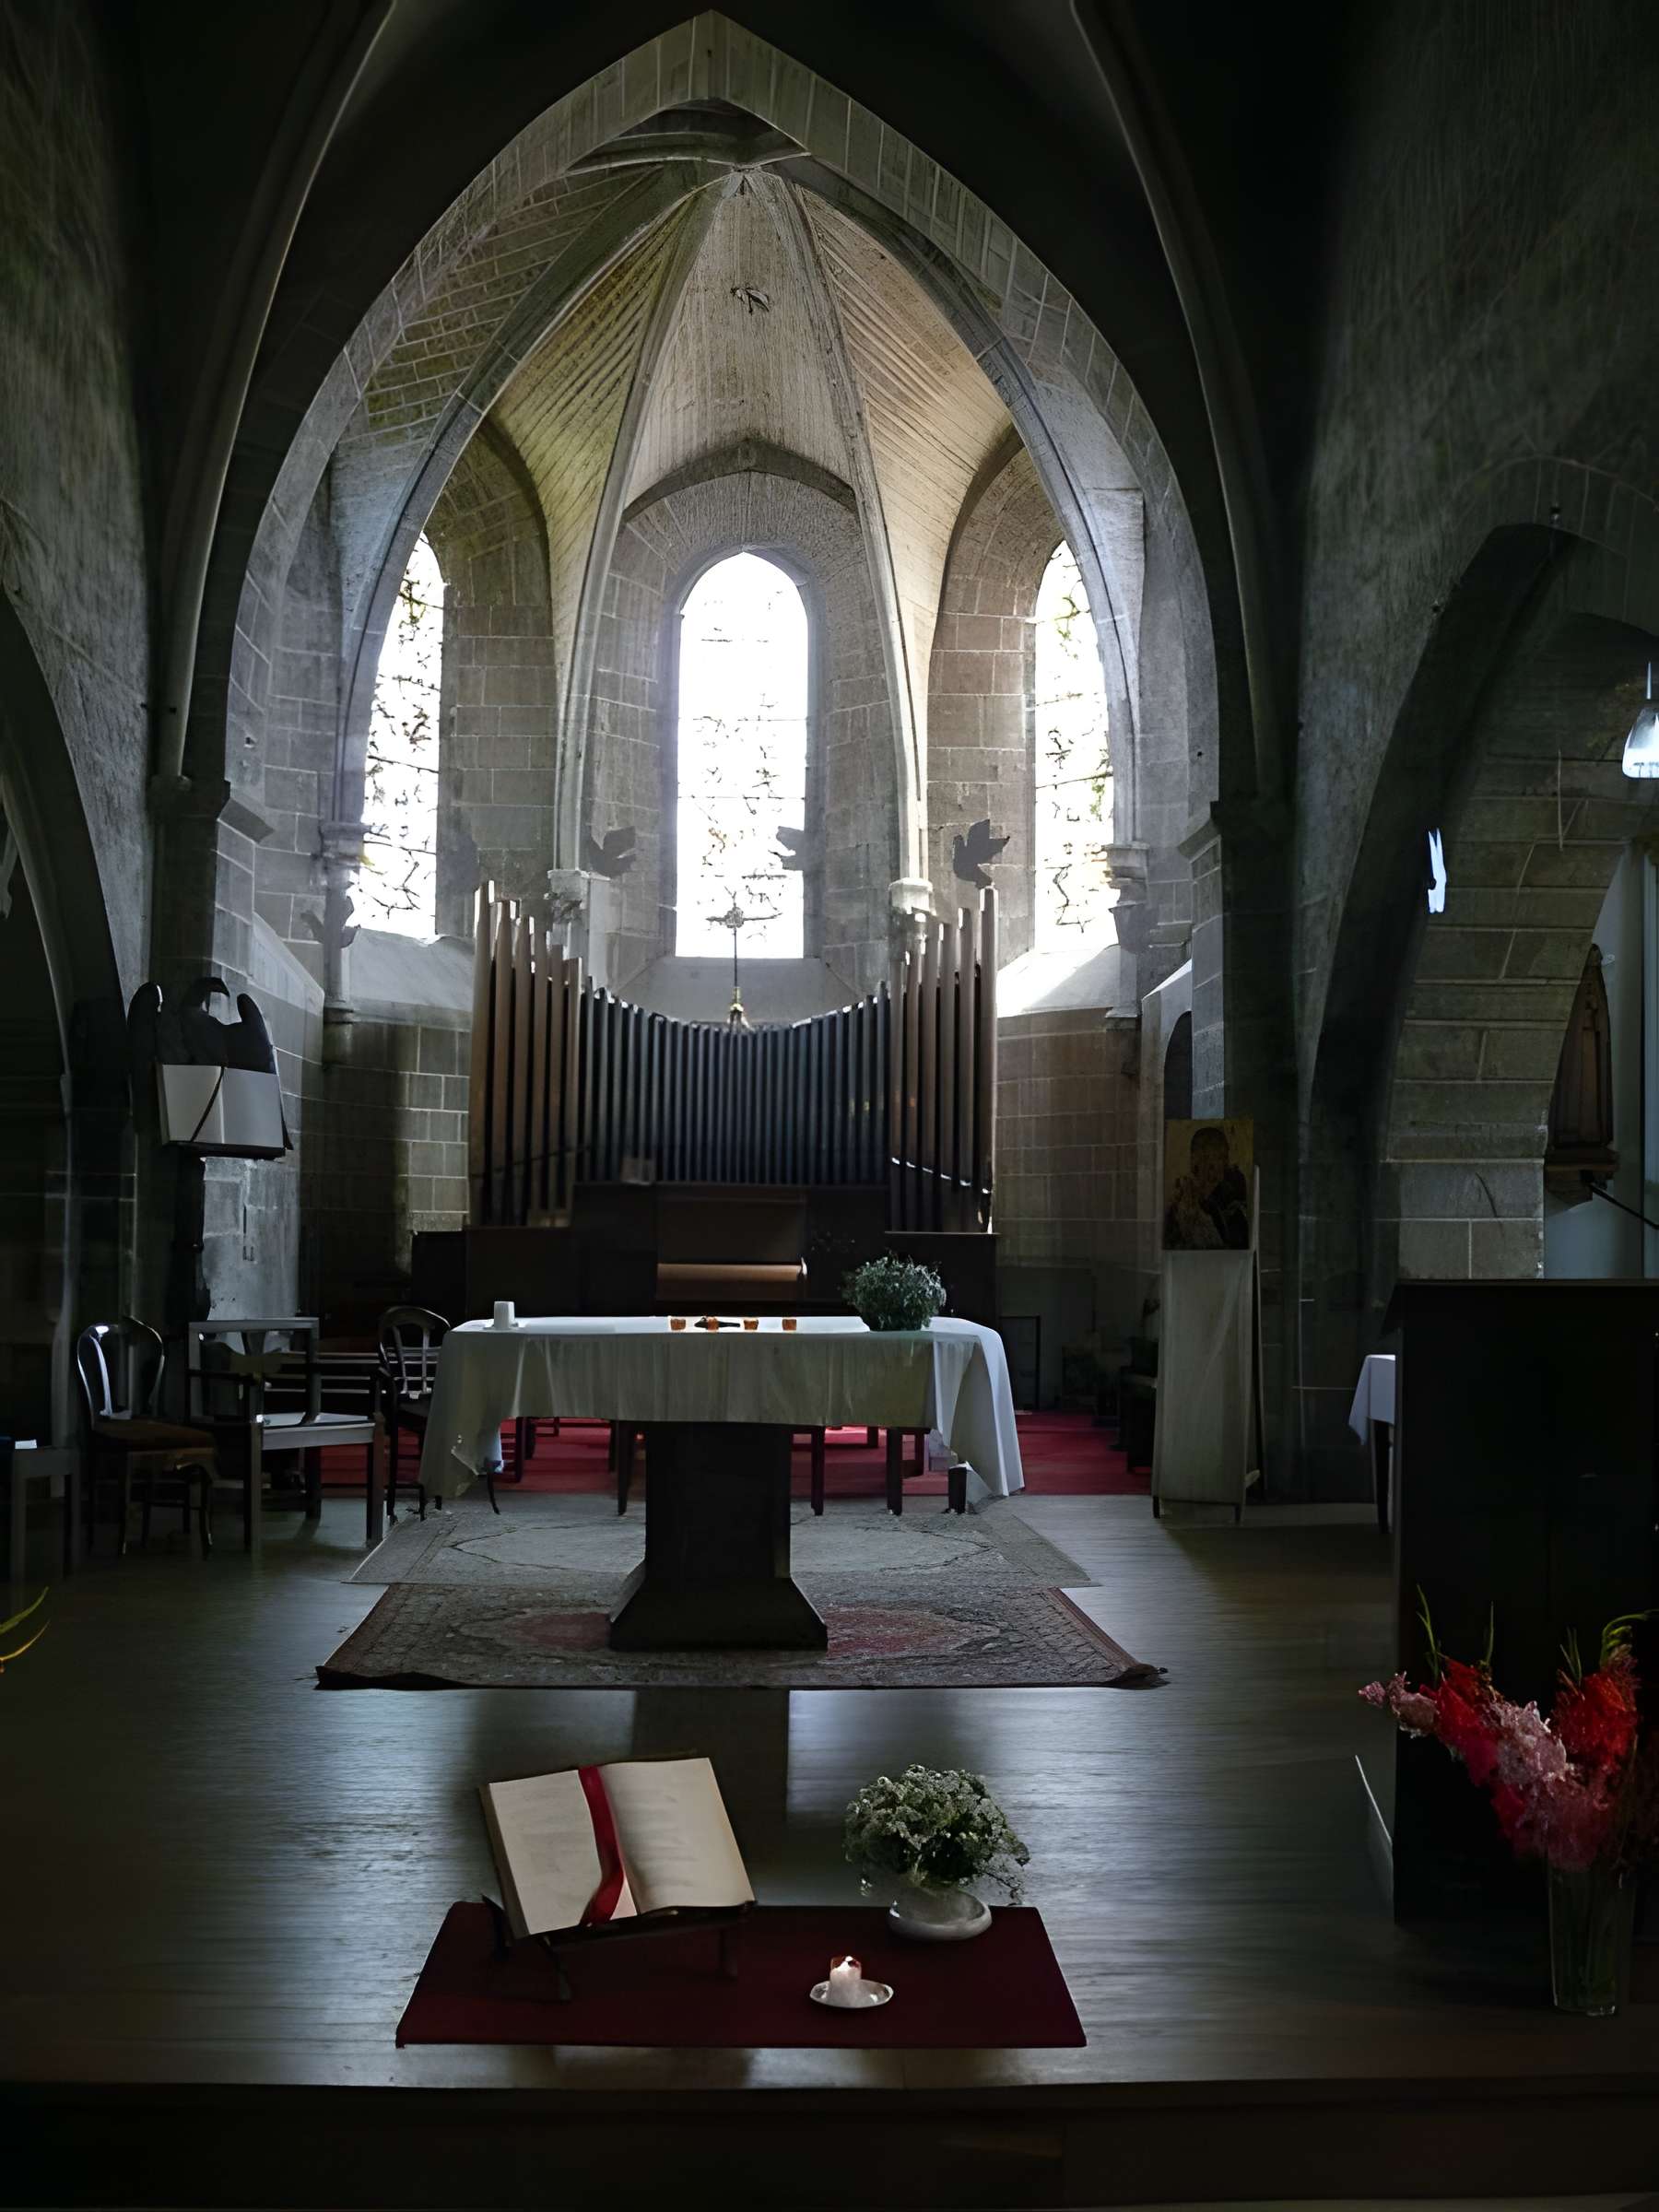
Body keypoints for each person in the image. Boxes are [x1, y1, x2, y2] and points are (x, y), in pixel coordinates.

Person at [1163, 1124, 1251, 1251]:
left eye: (1223, 1157)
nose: (1226, 1163)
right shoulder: (1180, 1202)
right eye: (1219, 1157)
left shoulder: (1231, 1206)